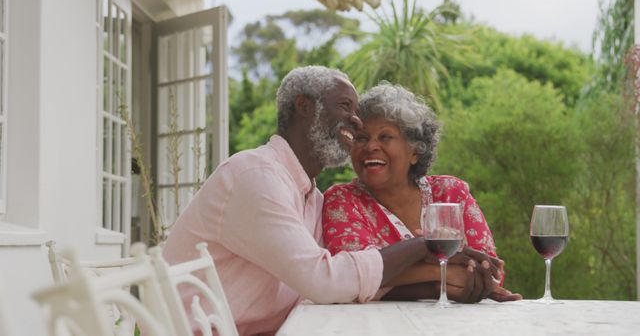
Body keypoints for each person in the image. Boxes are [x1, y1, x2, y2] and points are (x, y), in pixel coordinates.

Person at [162, 66, 500, 336]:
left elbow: (347, 281)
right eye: (346, 107)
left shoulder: (309, 195)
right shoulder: (256, 176)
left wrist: (441, 283)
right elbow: (325, 282)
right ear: (305, 107)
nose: (355, 121)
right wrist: (428, 245)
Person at [322, 82, 522, 301]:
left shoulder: (451, 193)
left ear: (415, 151)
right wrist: (442, 274)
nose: (370, 146)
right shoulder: (341, 200)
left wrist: (397, 276)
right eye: (361, 138)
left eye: (385, 137)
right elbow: (350, 277)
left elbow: (489, 272)